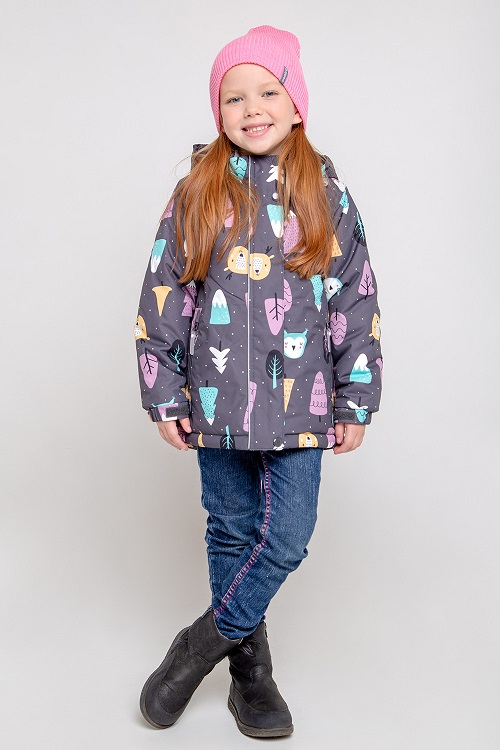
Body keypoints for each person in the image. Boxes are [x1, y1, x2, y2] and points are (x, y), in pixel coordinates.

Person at [133, 25, 383, 739]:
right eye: (233, 97)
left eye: (267, 92)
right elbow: (164, 293)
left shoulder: (324, 190)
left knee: (286, 537)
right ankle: (251, 673)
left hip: (303, 400)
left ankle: (199, 644)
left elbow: (355, 294)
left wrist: (356, 397)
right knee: (231, 530)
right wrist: (165, 392)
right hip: (216, 399)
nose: (252, 109)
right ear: (218, 112)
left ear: (296, 104)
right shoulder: (198, 191)